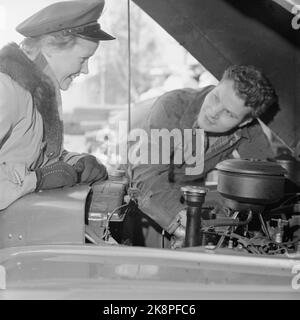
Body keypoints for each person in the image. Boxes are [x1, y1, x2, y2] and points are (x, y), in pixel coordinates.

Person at [126, 65, 278, 248]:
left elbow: (267, 180)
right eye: (215, 98)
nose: (213, 112)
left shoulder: (248, 130)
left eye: (228, 113)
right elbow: (147, 177)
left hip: (187, 193)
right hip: (141, 193)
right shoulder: (172, 106)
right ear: (217, 84)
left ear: (244, 121)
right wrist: (182, 226)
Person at [0, 0, 115, 210]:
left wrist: (76, 163)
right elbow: (35, 172)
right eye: (83, 59)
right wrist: (37, 180)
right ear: (50, 48)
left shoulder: (37, 95)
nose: (86, 70)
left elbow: (34, 158)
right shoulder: (6, 90)